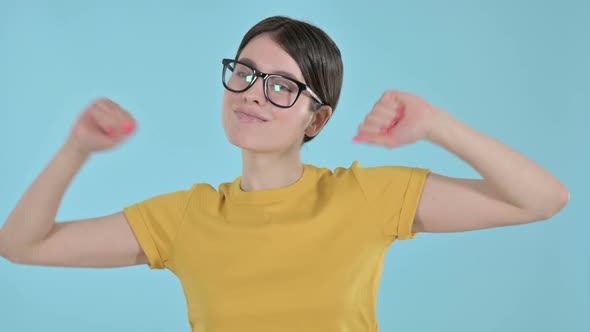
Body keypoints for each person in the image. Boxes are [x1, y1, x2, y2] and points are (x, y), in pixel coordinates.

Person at [0, 15, 569, 332]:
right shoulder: (184, 217)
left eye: (282, 86)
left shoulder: (368, 196)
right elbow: (23, 245)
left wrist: (438, 125)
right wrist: (75, 150)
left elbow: (542, 200)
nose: (252, 95)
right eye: (245, 73)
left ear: (316, 119)